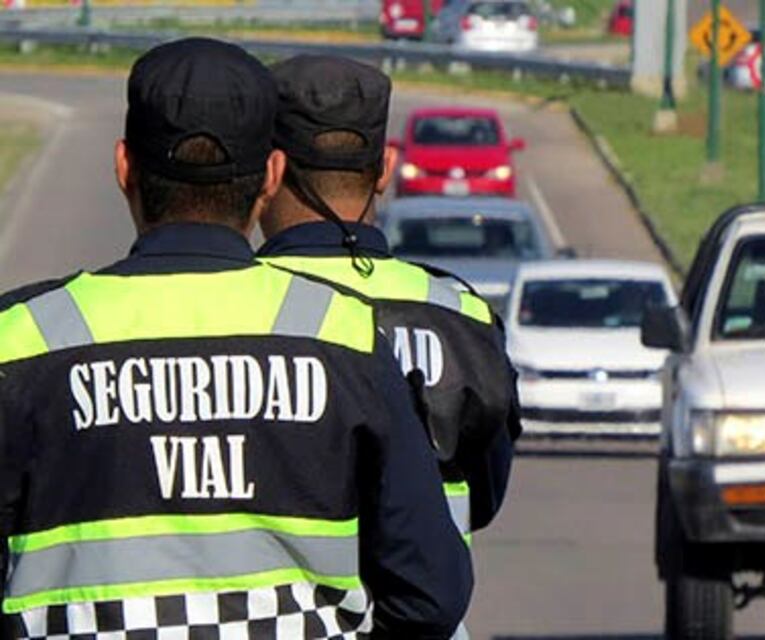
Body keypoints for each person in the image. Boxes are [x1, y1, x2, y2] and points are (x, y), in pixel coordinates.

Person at [0, 38, 471, 638]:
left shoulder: (20, 341)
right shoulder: (345, 335)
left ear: (124, 167)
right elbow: (430, 595)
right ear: (272, 176)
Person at [259, 55, 522, 541]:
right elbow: (484, 500)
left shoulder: (225, 317)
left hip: (281, 616)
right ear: (385, 169)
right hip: (431, 614)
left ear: (268, 171)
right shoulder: (465, 319)